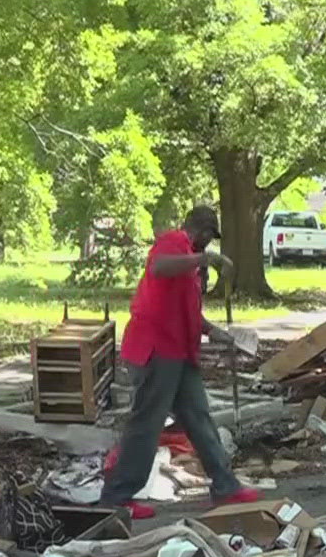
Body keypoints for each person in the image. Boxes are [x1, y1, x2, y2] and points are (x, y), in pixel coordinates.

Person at [101, 205, 261, 519]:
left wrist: (214, 332)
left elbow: (187, 310)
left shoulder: (190, 263)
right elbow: (159, 267)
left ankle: (225, 485)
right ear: (199, 230)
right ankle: (117, 496)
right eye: (208, 239)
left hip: (179, 353)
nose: (208, 245)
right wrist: (204, 259)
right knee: (146, 424)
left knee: (199, 418)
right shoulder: (174, 243)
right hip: (156, 350)